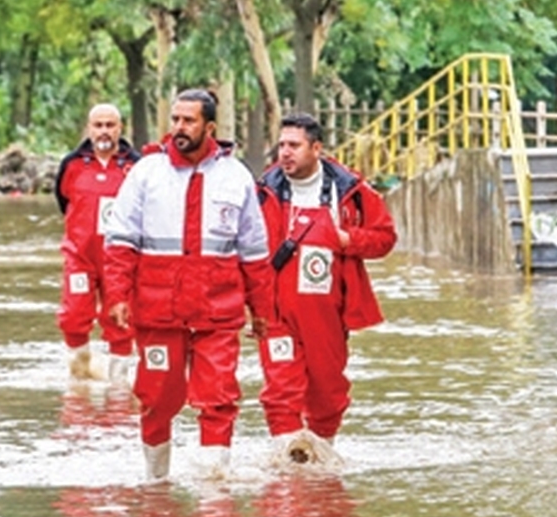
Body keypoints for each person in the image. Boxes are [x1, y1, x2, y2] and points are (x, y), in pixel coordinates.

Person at [103, 89, 273, 482]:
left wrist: (263, 311)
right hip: (158, 310)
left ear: (210, 126)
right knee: (157, 397)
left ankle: (215, 495)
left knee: (218, 398)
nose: (178, 127)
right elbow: (120, 242)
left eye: (188, 121)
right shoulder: (146, 173)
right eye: (175, 119)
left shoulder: (236, 177)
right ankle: (156, 483)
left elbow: (254, 254)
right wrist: (116, 296)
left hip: (218, 313)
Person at [255, 112, 397, 462]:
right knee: (280, 389)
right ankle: (287, 473)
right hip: (275, 311)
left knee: (328, 390)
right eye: (282, 145)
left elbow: (385, 238)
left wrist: (348, 238)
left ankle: (320, 463)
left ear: (316, 148)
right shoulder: (263, 191)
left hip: (327, 312)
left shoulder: (349, 190)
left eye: (294, 145)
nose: (285, 152)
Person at [54, 103, 140, 383]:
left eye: (110, 125)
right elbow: (64, 200)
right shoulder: (73, 165)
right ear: (89, 128)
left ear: (120, 128)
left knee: (122, 318)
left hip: (120, 259)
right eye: (98, 125)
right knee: (74, 314)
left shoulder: (135, 166)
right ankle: (79, 377)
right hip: (81, 255)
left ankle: (119, 386)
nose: (104, 131)